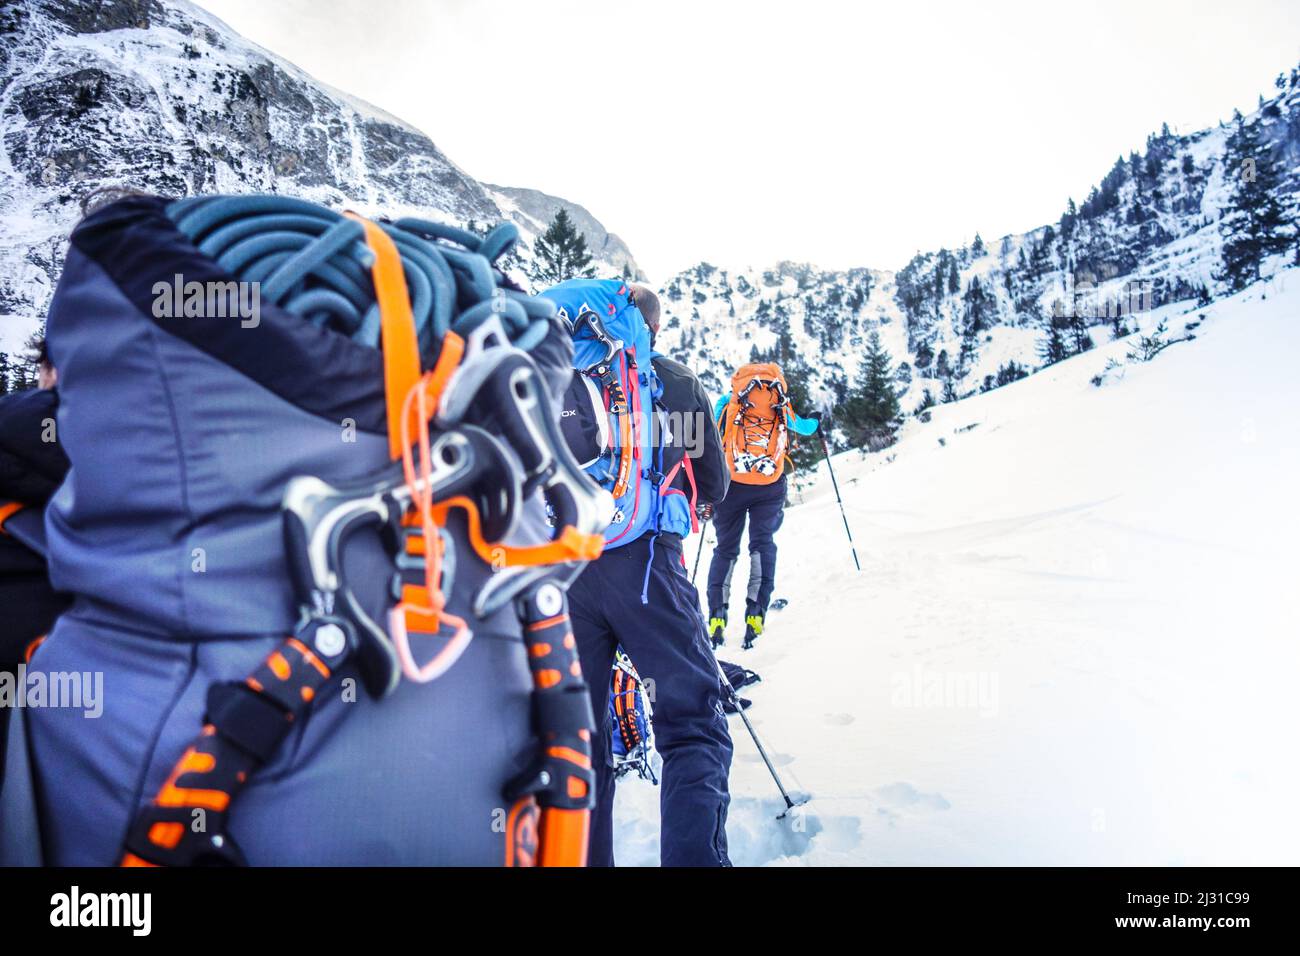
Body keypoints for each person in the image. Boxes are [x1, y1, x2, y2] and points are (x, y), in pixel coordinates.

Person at [551, 281, 733, 866]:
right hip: (648, 562)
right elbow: (713, 480)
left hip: (565, 565)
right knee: (692, 723)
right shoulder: (673, 382)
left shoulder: (554, 371)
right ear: (650, 328)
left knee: (581, 737)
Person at [706, 363, 819, 649]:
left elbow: (712, 433)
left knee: (725, 548)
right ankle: (755, 613)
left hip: (731, 486)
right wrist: (816, 423)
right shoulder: (779, 404)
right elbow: (803, 428)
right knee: (762, 543)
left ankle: (717, 616)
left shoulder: (728, 402)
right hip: (769, 486)